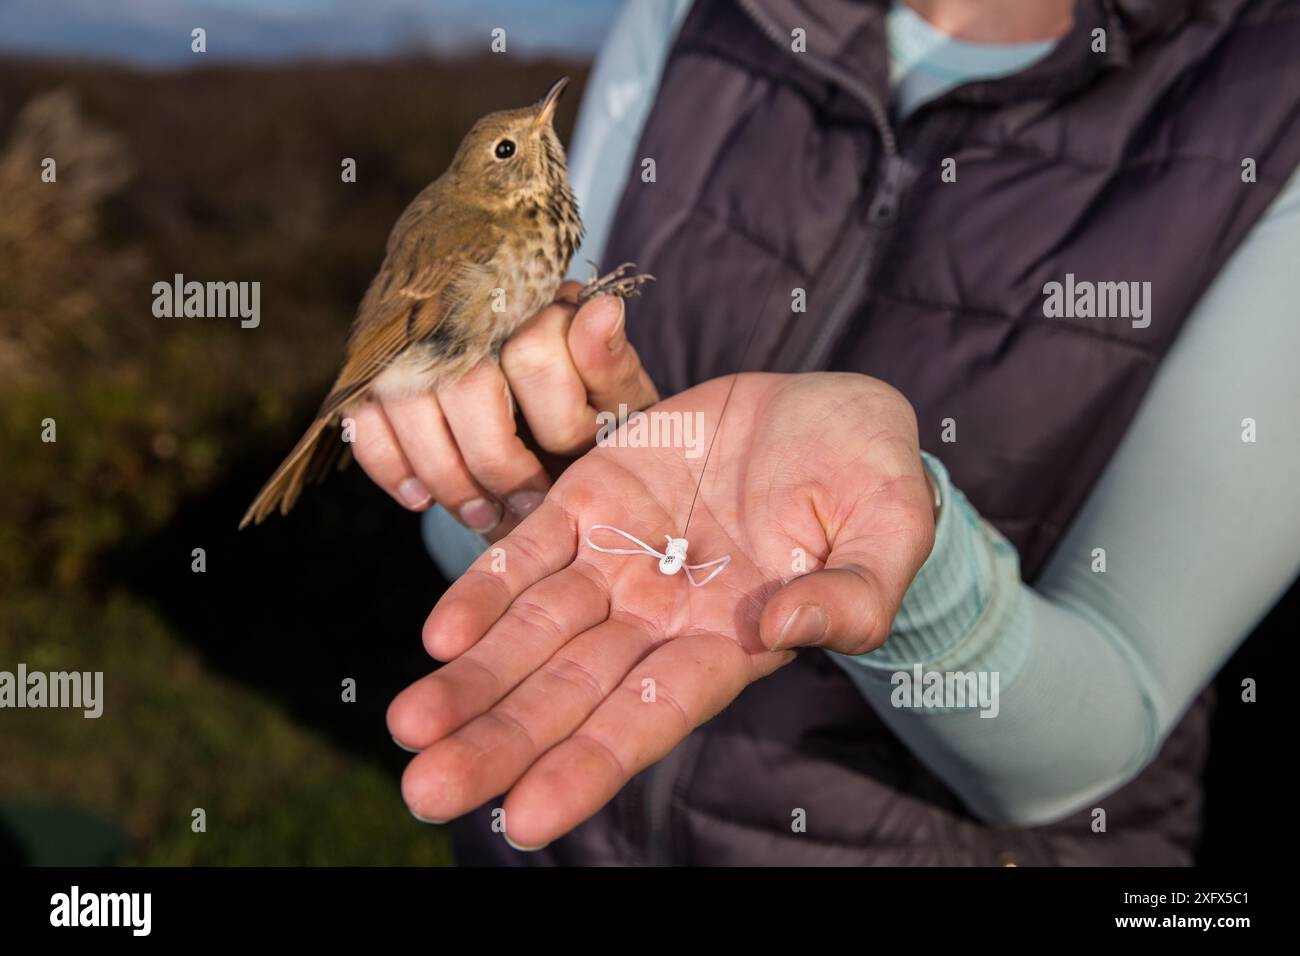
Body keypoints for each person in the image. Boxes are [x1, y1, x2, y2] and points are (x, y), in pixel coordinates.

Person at [366, 0, 1300, 864]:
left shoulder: (1273, 94)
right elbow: (471, 541)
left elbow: (1090, 744)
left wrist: (911, 557)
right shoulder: (694, 13)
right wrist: (533, 476)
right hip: (559, 839)